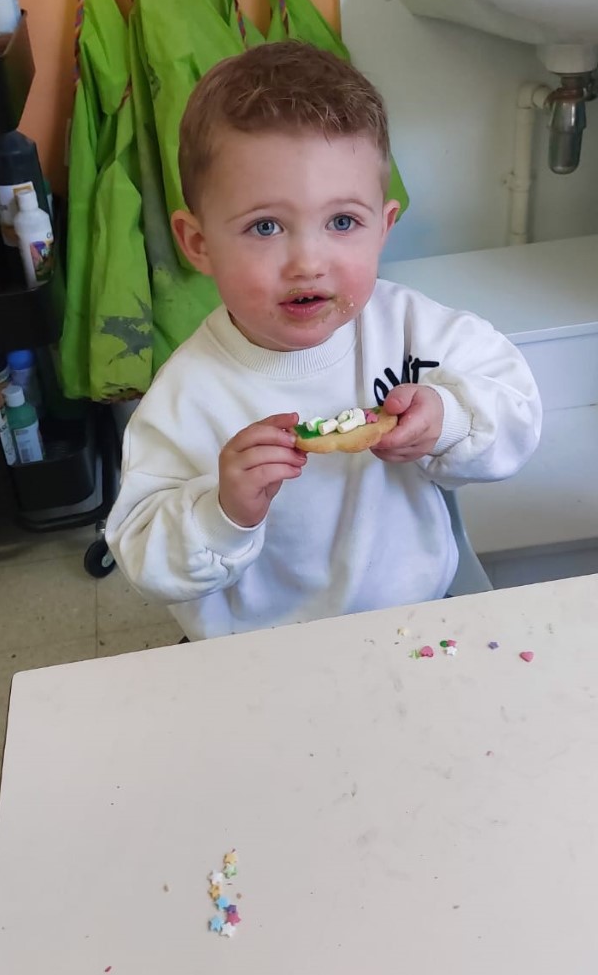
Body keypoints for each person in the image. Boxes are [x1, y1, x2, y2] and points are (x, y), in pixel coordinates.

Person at [106, 42, 541, 641]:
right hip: (263, 648)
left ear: (383, 227)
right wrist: (223, 511)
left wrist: (451, 418)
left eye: (342, 222)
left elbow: (518, 411)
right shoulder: (187, 395)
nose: (308, 262)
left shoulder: (411, 328)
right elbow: (141, 556)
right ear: (199, 244)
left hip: (415, 616)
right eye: (265, 226)